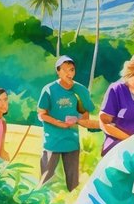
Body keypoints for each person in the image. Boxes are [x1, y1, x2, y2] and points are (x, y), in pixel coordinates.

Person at [37, 56, 100, 191]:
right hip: (52, 142)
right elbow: (41, 114)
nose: (69, 73)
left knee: (73, 184)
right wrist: (58, 123)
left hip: (71, 142)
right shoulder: (49, 89)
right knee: (45, 181)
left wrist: (79, 120)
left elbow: (85, 115)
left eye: (71, 70)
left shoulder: (81, 90)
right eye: (65, 70)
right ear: (58, 71)